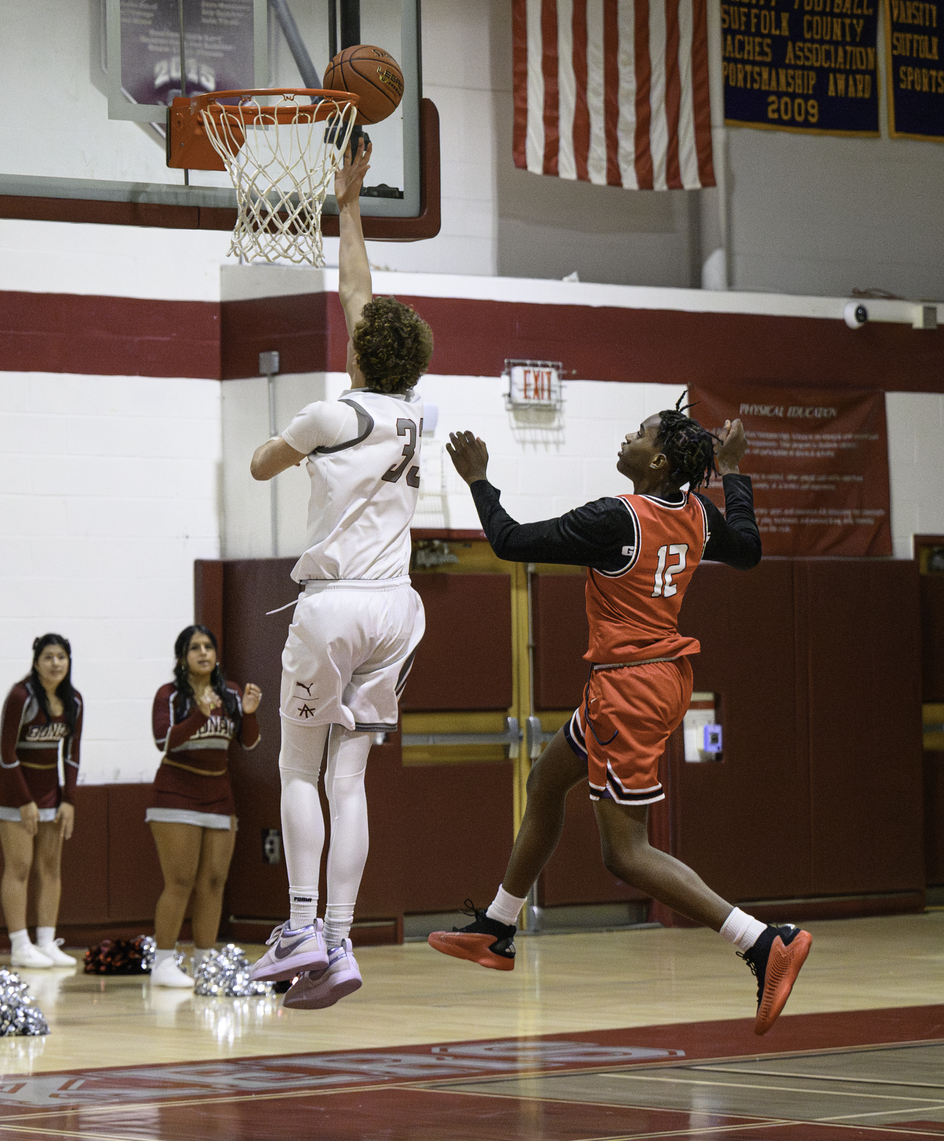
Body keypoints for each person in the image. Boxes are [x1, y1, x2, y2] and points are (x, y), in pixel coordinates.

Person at [430, 405, 812, 1036]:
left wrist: (478, 478)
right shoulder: (696, 514)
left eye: (639, 434)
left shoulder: (615, 519)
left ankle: (763, 941)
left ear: (658, 460)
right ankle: (497, 927)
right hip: (651, 676)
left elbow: (508, 541)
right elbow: (747, 552)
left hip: (629, 689)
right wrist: (736, 473)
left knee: (624, 854)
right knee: (547, 782)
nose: (627, 437)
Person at [245, 142, 434, 1010]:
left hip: (333, 607)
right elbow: (362, 295)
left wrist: (286, 445)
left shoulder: (331, 412)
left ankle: (299, 927)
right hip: (400, 609)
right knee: (349, 778)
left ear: (358, 351)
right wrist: (347, 207)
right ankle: (344, 940)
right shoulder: (418, 413)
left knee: (297, 768)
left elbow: (257, 465)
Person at [146, 625, 261, 988]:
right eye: (194, 648)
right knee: (180, 881)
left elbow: (248, 742)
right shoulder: (169, 694)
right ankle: (163, 962)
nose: (203, 653)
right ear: (182, 658)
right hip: (176, 794)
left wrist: (250, 712)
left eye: (208, 646)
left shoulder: (231, 692)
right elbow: (163, 740)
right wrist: (197, 713)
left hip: (219, 796)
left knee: (214, 881)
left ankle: (205, 961)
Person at [0, 634, 83, 969]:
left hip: (50, 794)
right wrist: (24, 800)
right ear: (36, 661)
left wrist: (68, 799)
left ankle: (45, 941)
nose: (55, 663)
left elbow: (72, 755)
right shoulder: (21, 696)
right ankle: (19, 944)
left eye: (61, 657)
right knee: (20, 866)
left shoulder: (75, 701)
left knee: (50, 868)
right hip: (14, 792)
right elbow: (6, 752)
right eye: (48, 657)